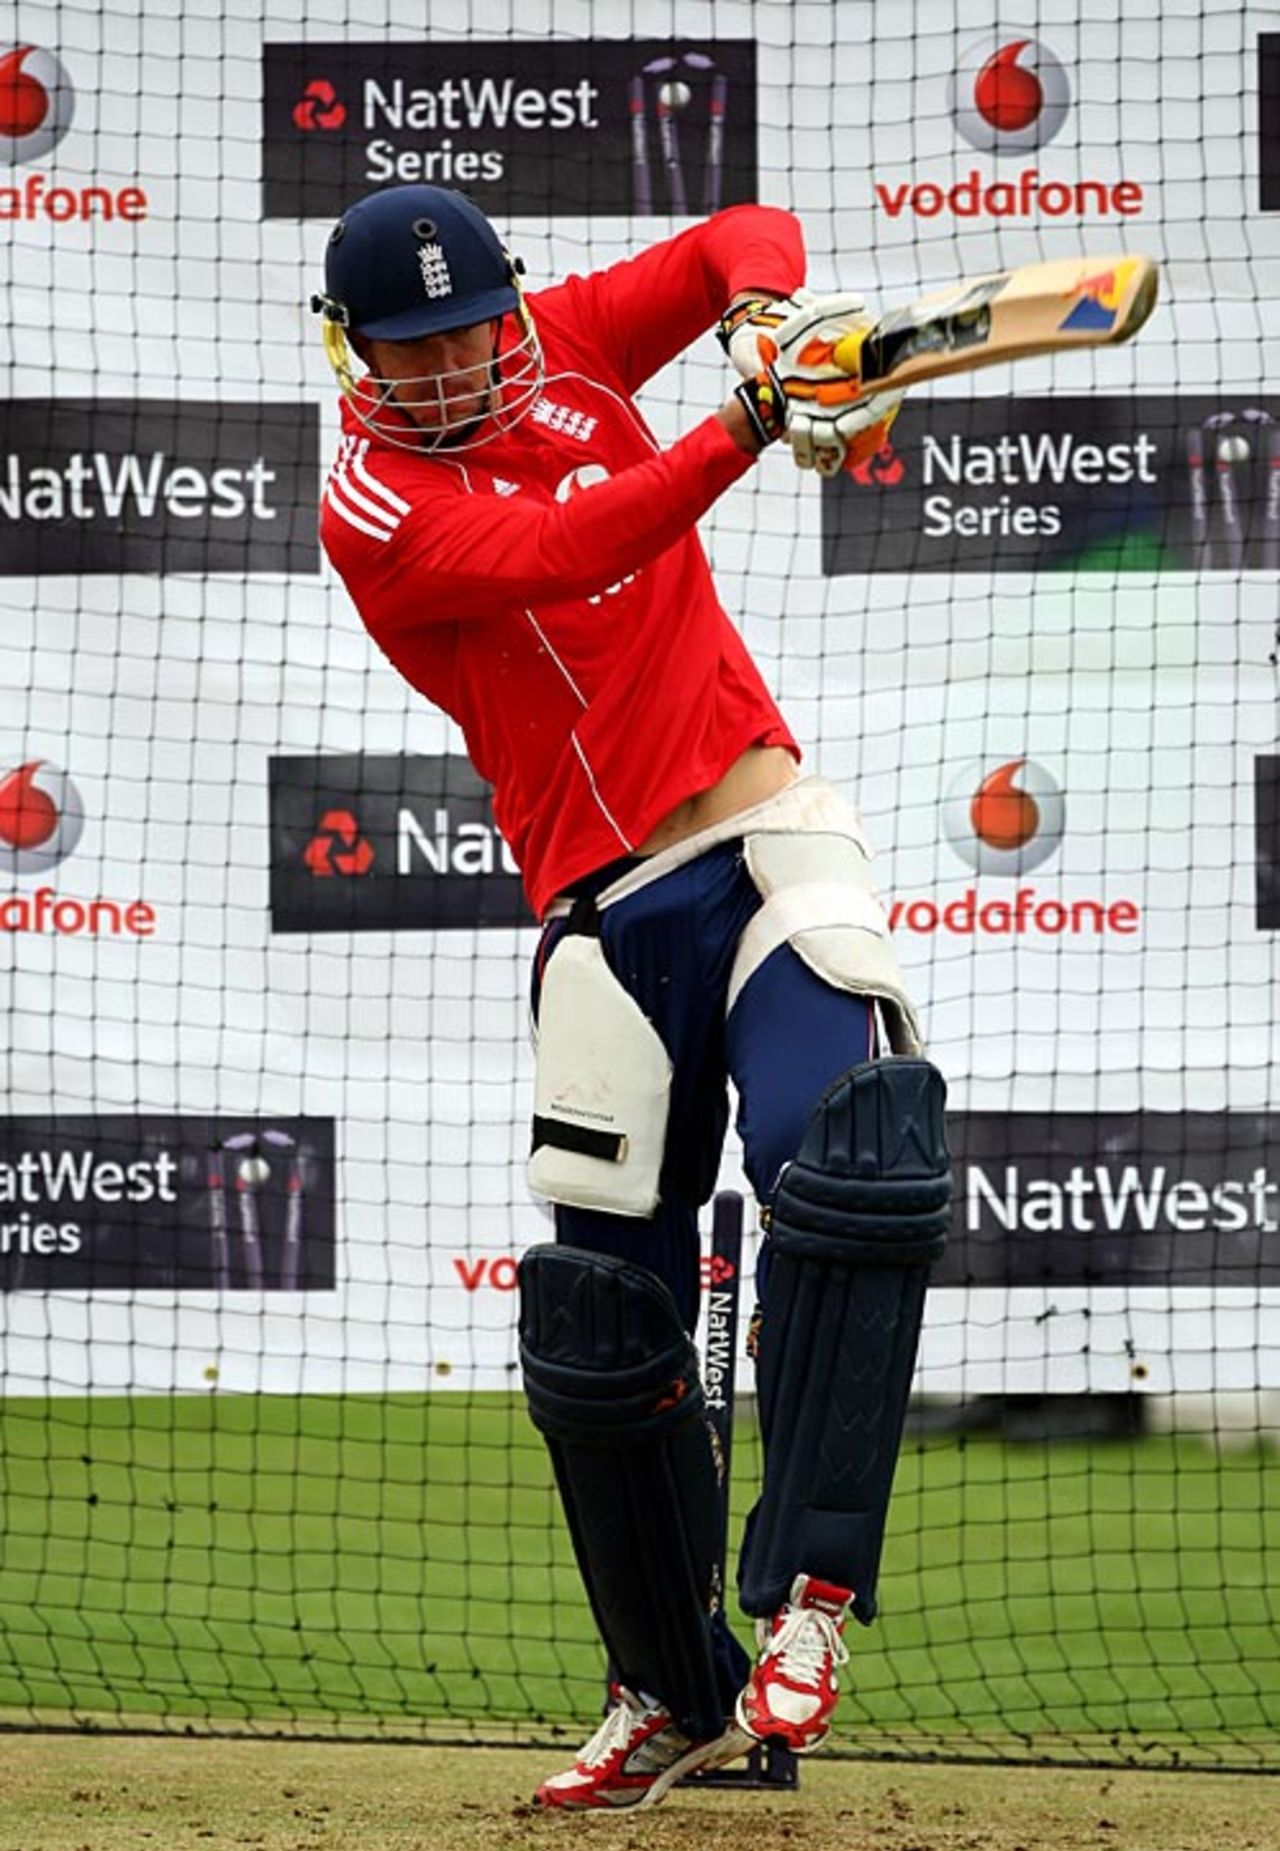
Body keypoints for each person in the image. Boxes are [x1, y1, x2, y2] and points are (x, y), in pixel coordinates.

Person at [312, 183, 951, 1812]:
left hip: (766, 835)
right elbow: (573, 545)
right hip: (603, 906)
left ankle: (810, 1603)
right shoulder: (372, 499)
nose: (452, 367)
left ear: (512, 307)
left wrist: (762, 323)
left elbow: (745, 227)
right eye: (411, 348)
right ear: (352, 354)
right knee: (604, 1320)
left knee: (860, 1156)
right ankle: (669, 1687)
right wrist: (753, 418)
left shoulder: (575, 341)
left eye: (472, 330)